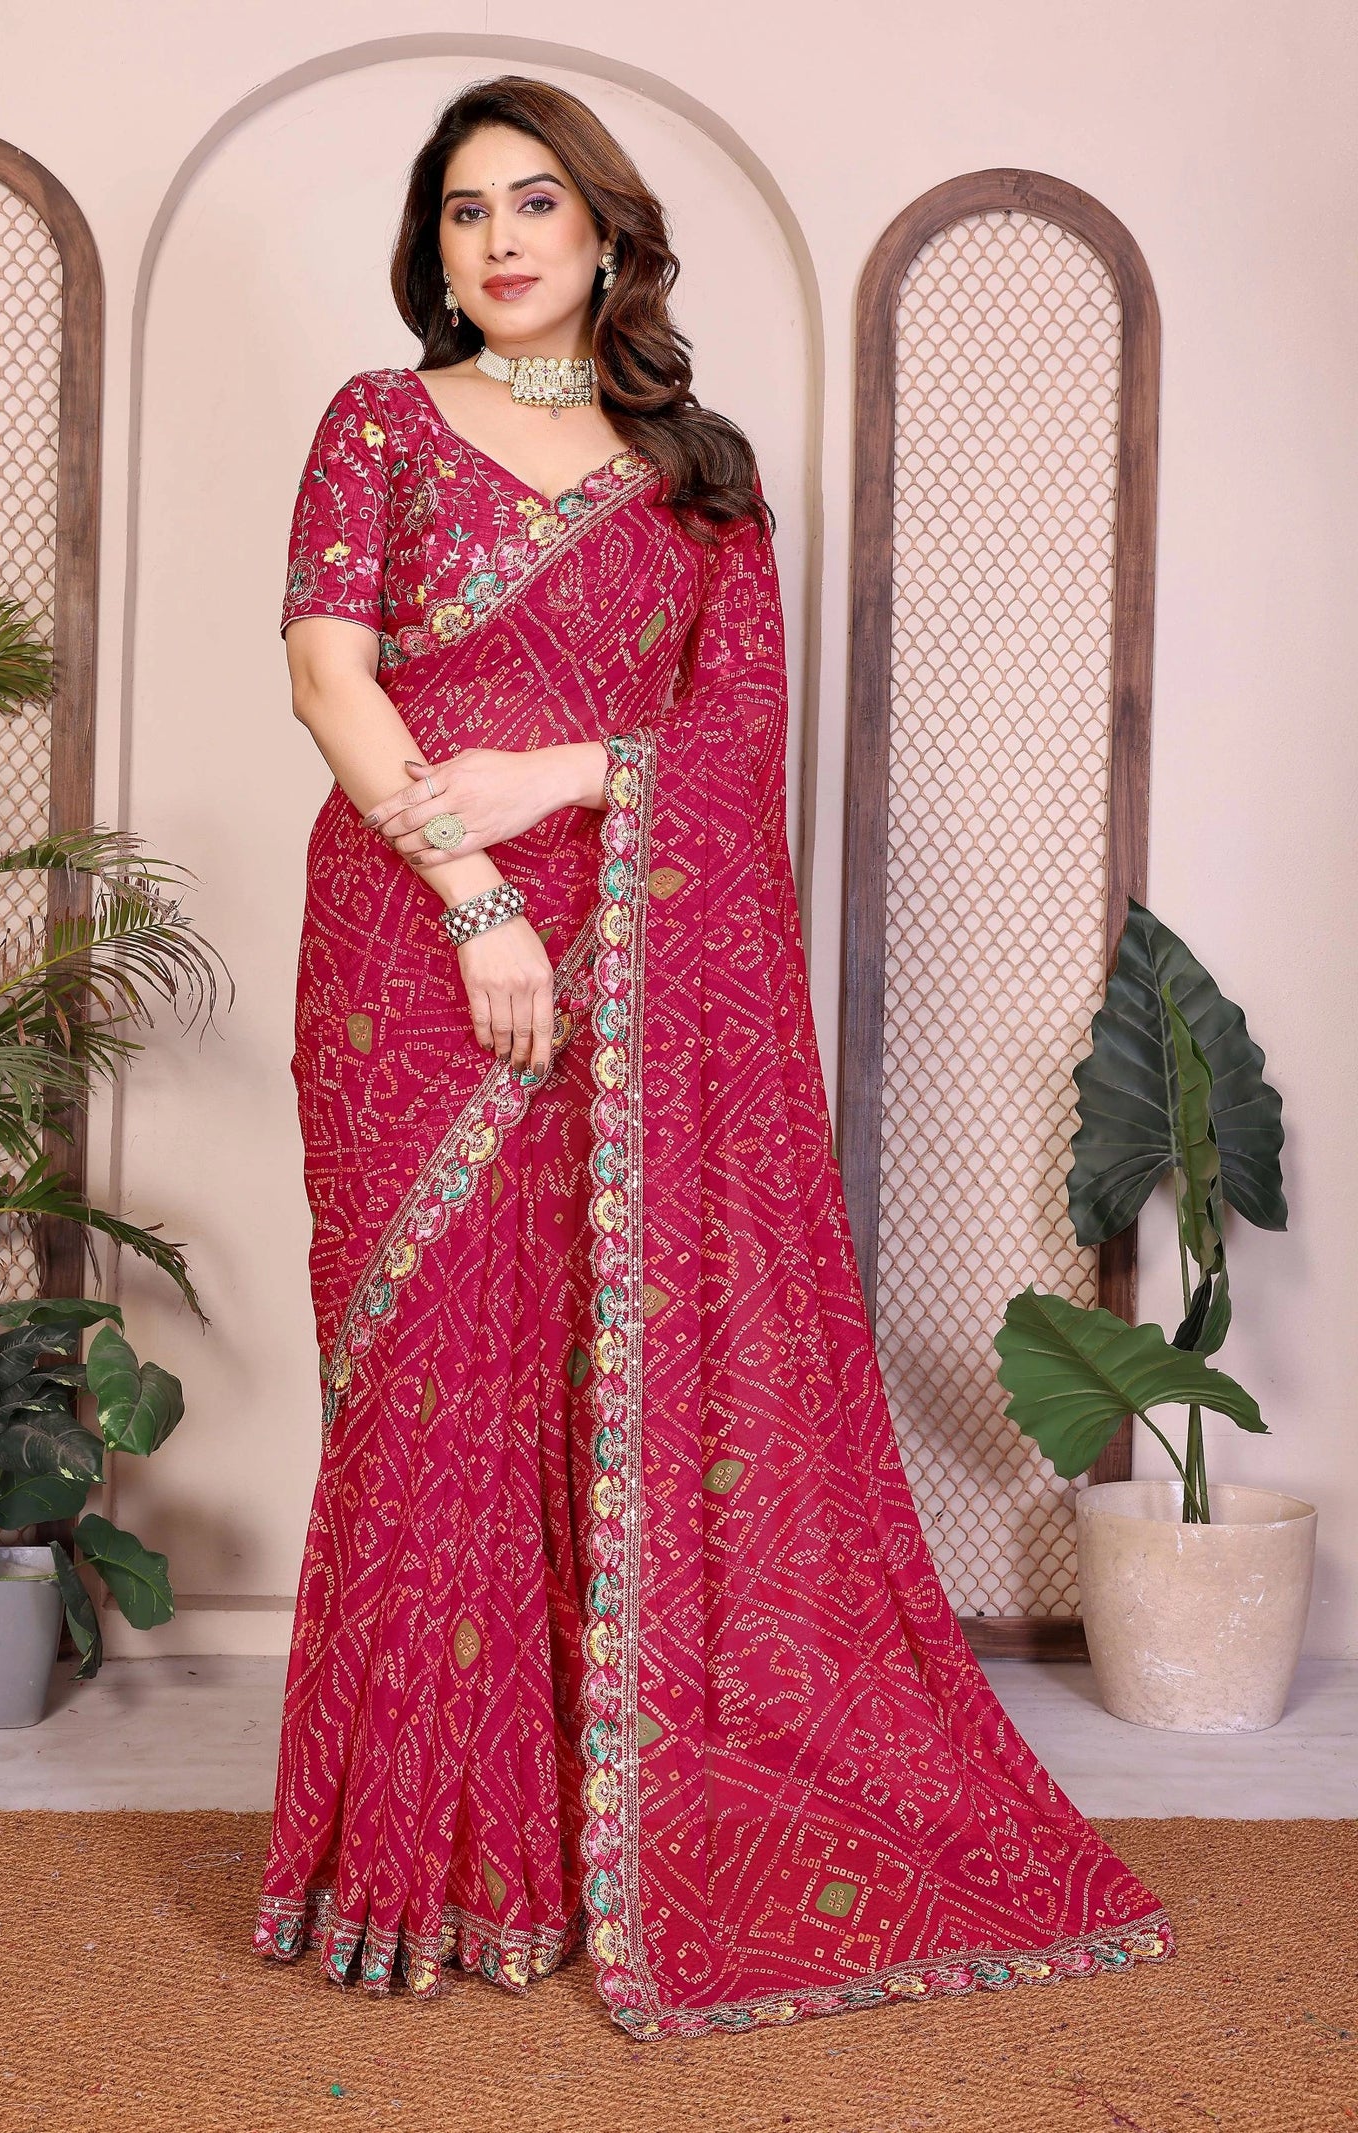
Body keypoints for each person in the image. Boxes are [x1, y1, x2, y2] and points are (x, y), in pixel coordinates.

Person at [254, 74, 1176, 2041]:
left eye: (531, 205)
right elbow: (328, 668)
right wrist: (477, 888)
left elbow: (733, 739)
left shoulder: (701, 477)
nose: (495, 241)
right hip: (412, 951)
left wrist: (572, 776)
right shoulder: (375, 423)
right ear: (432, 251)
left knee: (584, 1362)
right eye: (459, 214)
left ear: (604, 232)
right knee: (434, 1372)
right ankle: (416, 1862)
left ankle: (572, 1838)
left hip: (635, 960)